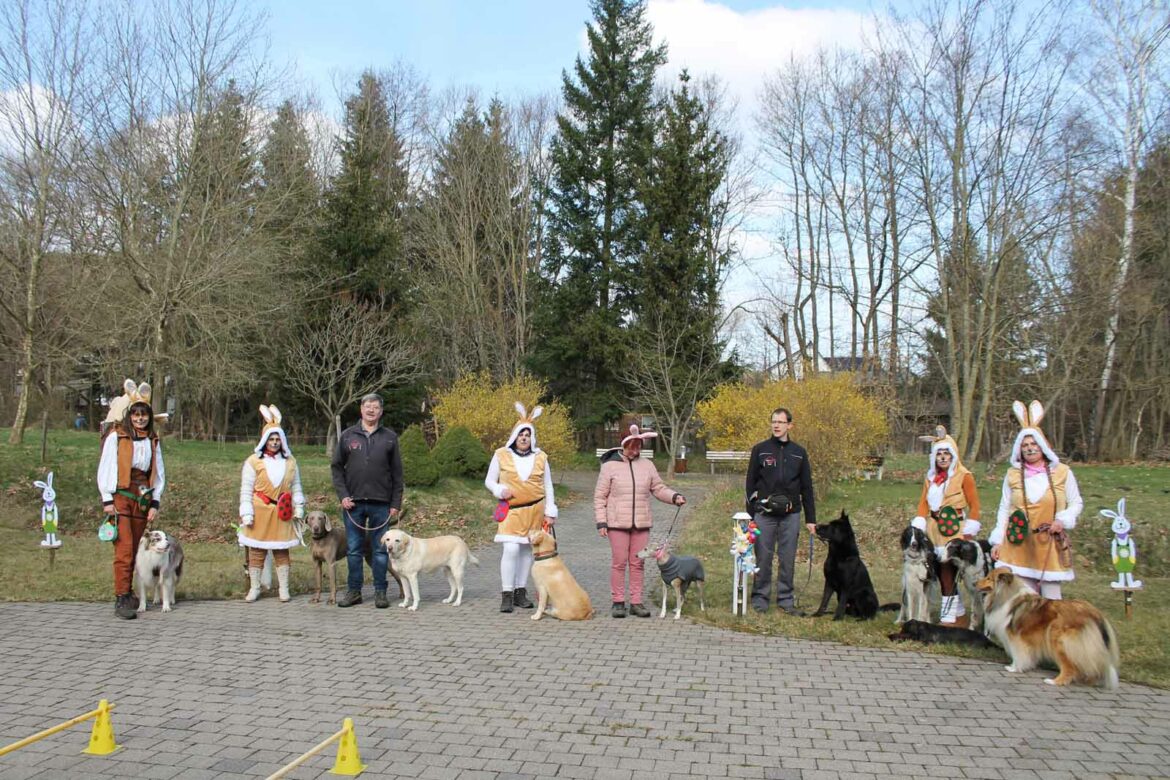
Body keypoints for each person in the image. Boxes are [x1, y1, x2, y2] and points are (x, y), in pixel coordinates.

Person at [990, 400, 1082, 599]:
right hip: (1018, 542)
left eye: (1034, 444)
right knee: (1025, 599)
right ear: (1019, 449)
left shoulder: (1063, 473)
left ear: (1043, 446)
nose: (1030, 448)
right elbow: (1005, 508)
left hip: (1048, 541)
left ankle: (1053, 630)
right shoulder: (1013, 475)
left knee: (1051, 598)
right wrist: (997, 540)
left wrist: (1062, 520)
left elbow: (1076, 502)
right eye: (1025, 445)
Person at [594, 425, 685, 618]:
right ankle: (618, 602)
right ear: (624, 444)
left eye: (639, 446)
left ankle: (636, 602)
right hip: (617, 523)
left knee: (638, 563)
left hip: (641, 523)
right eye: (632, 446)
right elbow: (600, 497)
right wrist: (602, 522)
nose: (636, 450)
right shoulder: (609, 466)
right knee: (619, 562)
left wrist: (674, 496)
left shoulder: (647, 465)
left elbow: (658, 488)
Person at [96, 382, 165, 620]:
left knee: (136, 548)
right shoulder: (118, 437)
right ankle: (121, 597)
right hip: (121, 496)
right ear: (129, 415)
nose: (139, 418)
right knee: (124, 549)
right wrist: (107, 499)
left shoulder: (152, 441)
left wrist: (154, 502)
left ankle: (131, 593)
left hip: (142, 498)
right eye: (135, 414)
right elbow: (107, 467)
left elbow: (158, 473)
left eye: (143, 414)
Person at [331, 393, 403, 608]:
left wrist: (395, 504)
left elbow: (398, 473)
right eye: (367, 406)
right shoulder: (347, 436)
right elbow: (336, 468)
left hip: (382, 503)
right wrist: (343, 495)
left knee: (381, 550)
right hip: (353, 504)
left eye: (375, 407)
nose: (371, 410)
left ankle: (381, 591)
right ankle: (354, 591)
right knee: (354, 549)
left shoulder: (390, 437)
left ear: (381, 411)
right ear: (361, 409)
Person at [484, 403, 558, 613]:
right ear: (515, 436)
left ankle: (520, 591)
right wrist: (499, 490)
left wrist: (550, 510)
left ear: (532, 437)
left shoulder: (541, 457)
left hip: (535, 510)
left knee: (527, 550)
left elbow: (548, 485)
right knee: (511, 548)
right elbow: (489, 481)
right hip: (512, 510)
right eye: (521, 434)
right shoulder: (501, 455)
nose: (524, 437)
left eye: (528, 434)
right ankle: (506, 593)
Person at [745, 407, 816, 615]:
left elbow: (807, 488)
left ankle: (786, 599)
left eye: (780, 422)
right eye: (773, 422)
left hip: (791, 515)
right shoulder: (760, 450)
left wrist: (811, 519)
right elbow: (750, 485)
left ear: (789, 425)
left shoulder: (799, 452)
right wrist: (750, 516)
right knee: (763, 558)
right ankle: (760, 598)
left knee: (787, 558)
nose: (776, 425)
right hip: (764, 515)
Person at [910, 427, 981, 624]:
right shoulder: (930, 477)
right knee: (939, 572)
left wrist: (970, 529)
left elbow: (974, 504)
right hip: (933, 528)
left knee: (949, 571)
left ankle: (949, 616)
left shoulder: (964, 476)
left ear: (953, 455)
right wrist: (920, 521)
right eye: (939, 454)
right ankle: (957, 613)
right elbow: (923, 502)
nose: (942, 458)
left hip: (953, 529)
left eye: (946, 453)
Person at [237, 405, 305, 603]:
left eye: (277, 439)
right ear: (265, 440)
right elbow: (246, 489)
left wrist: (299, 506)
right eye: (271, 439)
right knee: (256, 552)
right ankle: (255, 588)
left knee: (281, 551)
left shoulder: (291, 461)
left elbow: (297, 486)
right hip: (259, 511)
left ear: (282, 440)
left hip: (282, 511)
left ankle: (284, 588)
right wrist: (246, 512)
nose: (274, 443)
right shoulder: (253, 461)